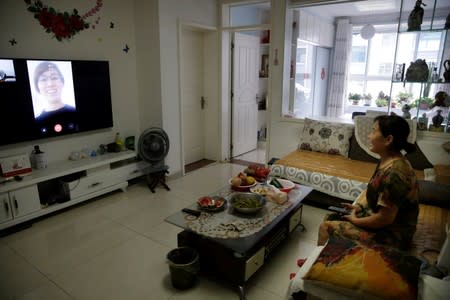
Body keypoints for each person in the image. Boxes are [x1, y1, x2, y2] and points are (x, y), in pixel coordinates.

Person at [317, 115, 420, 250]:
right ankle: (331, 258)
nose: (369, 136)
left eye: (373, 131)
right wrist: (360, 208)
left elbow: (384, 219)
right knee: (331, 216)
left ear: (388, 139)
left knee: (326, 227)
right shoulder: (387, 160)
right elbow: (381, 197)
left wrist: (356, 220)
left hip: (393, 235)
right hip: (385, 224)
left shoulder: (395, 173)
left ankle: (316, 268)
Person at [33, 61, 77, 129]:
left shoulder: (76, 112)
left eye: (54, 78)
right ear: (37, 86)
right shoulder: (36, 122)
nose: (50, 84)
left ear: (62, 83)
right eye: (43, 79)